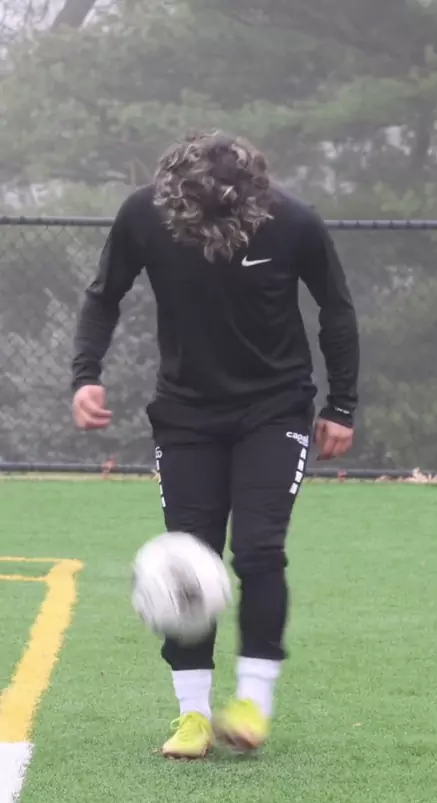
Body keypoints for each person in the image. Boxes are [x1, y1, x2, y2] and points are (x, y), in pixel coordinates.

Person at [71, 129, 359, 759]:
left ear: (251, 196)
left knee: (258, 550)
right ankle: (193, 716)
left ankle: (253, 701)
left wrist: (341, 405)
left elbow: (335, 309)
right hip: (185, 414)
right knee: (187, 557)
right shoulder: (144, 213)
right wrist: (85, 375)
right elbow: (104, 295)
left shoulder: (294, 221)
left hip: (275, 408)